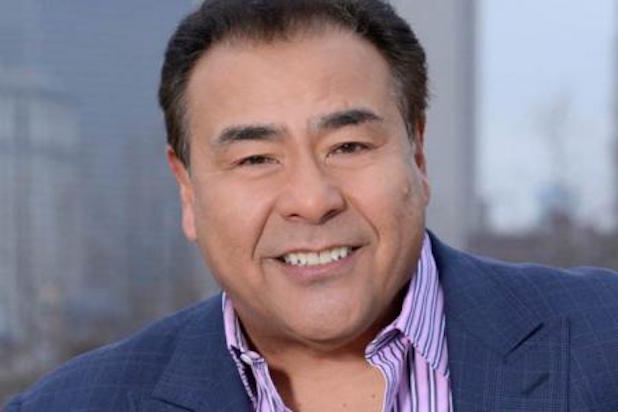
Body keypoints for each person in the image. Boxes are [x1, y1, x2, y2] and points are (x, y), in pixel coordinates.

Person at [4, 1, 618, 411]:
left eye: (349, 146)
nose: (311, 200)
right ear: (187, 190)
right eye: (255, 159)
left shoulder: (604, 342)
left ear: (417, 155)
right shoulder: (70, 406)